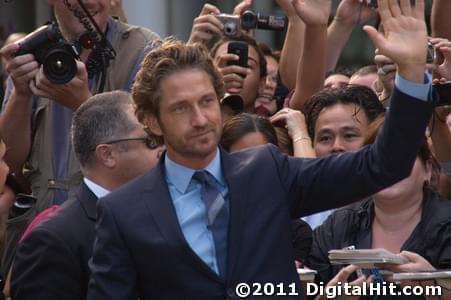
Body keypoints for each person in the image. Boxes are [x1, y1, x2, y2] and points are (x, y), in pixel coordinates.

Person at [88, 0, 434, 298]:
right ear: (152, 121)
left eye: (207, 101)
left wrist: (412, 72)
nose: (199, 119)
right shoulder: (123, 213)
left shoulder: (267, 171)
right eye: (181, 108)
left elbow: (382, 165)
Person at [0, 0, 160, 210]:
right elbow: (9, 162)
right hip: (41, 224)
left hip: (113, 221)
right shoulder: (33, 49)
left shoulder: (144, 50)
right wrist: (21, 94)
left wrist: (82, 103)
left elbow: (150, 151)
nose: (90, 2)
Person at [9, 91, 164, 300]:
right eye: (151, 142)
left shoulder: (163, 217)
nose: (163, 149)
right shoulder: (52, 240)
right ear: (107, 155)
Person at [307, 119, 451, 299]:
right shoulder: (336, 226)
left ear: (427, 169)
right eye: (379, 157)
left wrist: (439, 287)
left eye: (403, 156)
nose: (390, 166)